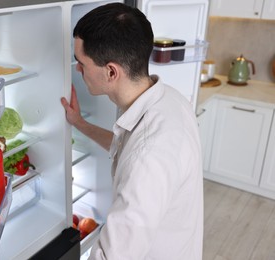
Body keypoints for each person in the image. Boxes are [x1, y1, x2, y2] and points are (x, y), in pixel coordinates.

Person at [60, 3, 203, 260]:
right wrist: (80, 123)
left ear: (111, 71)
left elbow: (113, 257)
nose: (78, 70)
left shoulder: (148, 156)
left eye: (81, 63)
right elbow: (126, 145)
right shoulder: (170, 100)